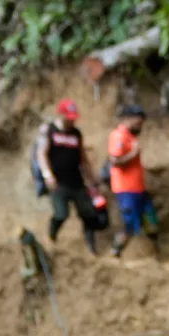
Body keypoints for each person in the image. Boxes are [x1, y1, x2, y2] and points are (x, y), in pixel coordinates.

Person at [38, 99, 103, 254]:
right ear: (61, 114)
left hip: (77, 181)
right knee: (61, 214)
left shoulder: (76, 134)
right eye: (69, 117)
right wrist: (47, 175)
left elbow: (83, 159)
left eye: (73, 117)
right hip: (58, 182)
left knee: (88, 213)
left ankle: (91, 248)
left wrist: (92, 179)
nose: (71, 120)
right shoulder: (49, 130)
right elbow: (41, 154)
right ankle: (51, 237)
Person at [105, 105, 160, 259]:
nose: (140, 127)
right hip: (125, 190)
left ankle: (157, 255)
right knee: (129, 225)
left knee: (151, 223)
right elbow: (115, 161)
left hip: (138, 189)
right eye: (137, 123)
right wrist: (133, 154)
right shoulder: (119, 136)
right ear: (128, 119)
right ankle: (115, 252)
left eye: (141, 124)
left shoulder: (131, 137)